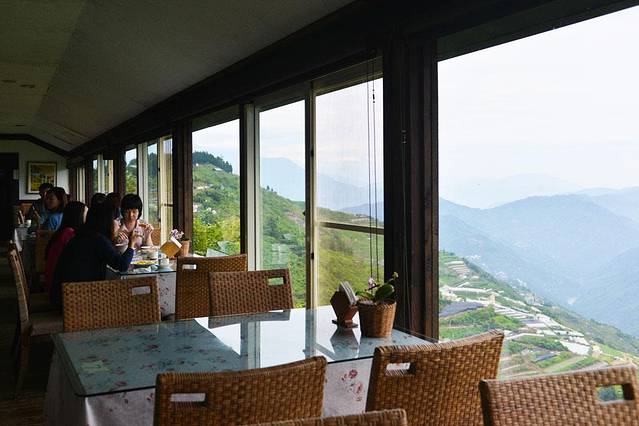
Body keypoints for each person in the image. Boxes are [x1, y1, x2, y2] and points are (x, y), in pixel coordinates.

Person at [51, 203, 140, 309]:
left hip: (64, 295)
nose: (119, 224)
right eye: (116, 220)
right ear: (107, 221)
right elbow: (122, 265)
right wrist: (131, 244)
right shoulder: (98, 239)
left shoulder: (84, 235)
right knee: (125, 302)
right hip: (76, 301)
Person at [44, 201, 87, 292]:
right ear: (78, 216)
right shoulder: (69, 234)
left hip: (56, 282)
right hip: (60, 288)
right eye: (86, 213)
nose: (89, 216)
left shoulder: (64, 231)